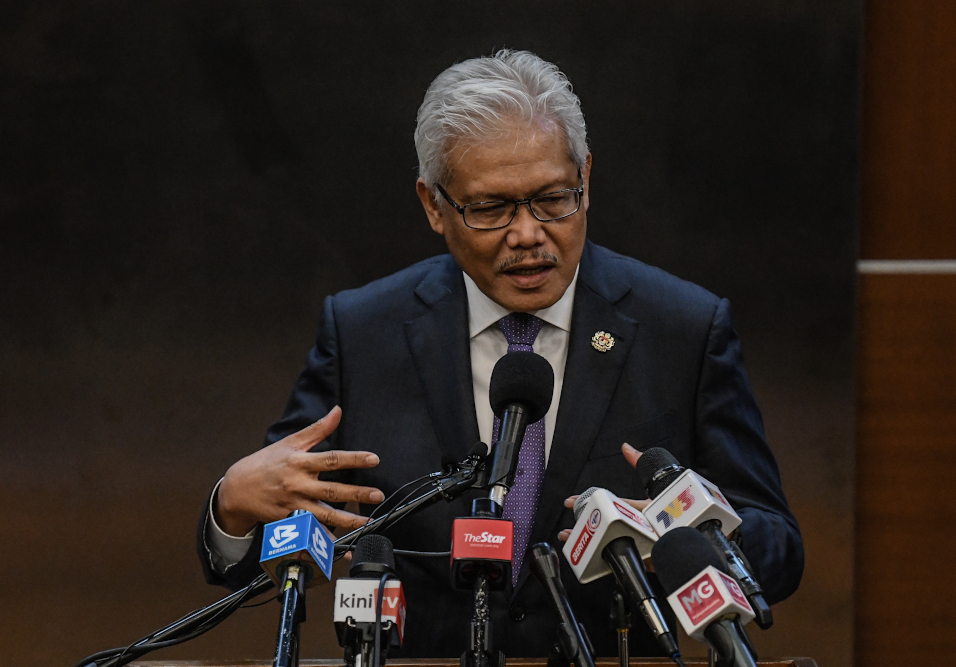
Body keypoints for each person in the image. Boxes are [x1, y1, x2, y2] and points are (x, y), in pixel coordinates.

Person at [196, 50, 803, 658]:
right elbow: (271, 549)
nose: (529, 233)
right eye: (491, 208)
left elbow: (778, 549)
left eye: (553, 199)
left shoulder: (684, 328)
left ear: (586, 179)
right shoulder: (364, 332)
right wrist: (231, 511)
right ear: (434, 205)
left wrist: (684, 540)